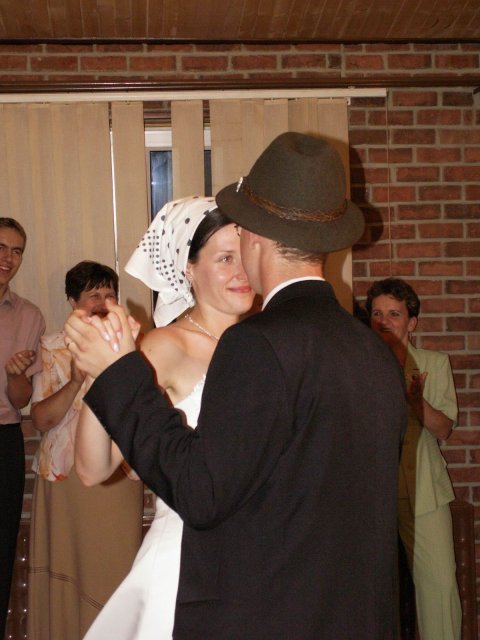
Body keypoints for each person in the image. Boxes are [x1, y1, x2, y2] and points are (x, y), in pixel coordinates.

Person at [65, 132, 407, 639]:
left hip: (264, 606)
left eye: (239, 240)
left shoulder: (258, 345)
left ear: (256, 239)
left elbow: (203, 492)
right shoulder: (371, 349)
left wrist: (117, 373)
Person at [74, 196, 255, 639]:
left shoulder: (264, 343)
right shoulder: (165, 347)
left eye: (246, 254)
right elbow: (93, 468)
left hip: (257, 558)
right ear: (189, 269)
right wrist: (107, 372)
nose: (242, 271)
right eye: (225, 258)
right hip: (185, 557)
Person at [27, 261, 144, 640]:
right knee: (69, 571)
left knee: (117, 567)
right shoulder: (52, 347)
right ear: (72, 301)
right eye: (93, 295)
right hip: (65, 479)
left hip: (118, 476)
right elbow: (41, 419)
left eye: (110, 294)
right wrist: (77, 379)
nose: (103, 303)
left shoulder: (133, 344)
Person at [365, 277, 461, 640]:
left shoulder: (435, 364)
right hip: (372, 494)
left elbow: (445, 429)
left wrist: (416, 400)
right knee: (371, 591)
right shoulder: (358, 365)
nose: (384, 321)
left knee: (439, 586)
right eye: (377, 313)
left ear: (412, 322)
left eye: (394, 313)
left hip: (425, 493)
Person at [0, 217, 45, 639]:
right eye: (1, 247)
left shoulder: (29, 316)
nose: (7, 258)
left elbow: (20, 399)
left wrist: (15, 375)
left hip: (4, 440)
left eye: (16, 251)